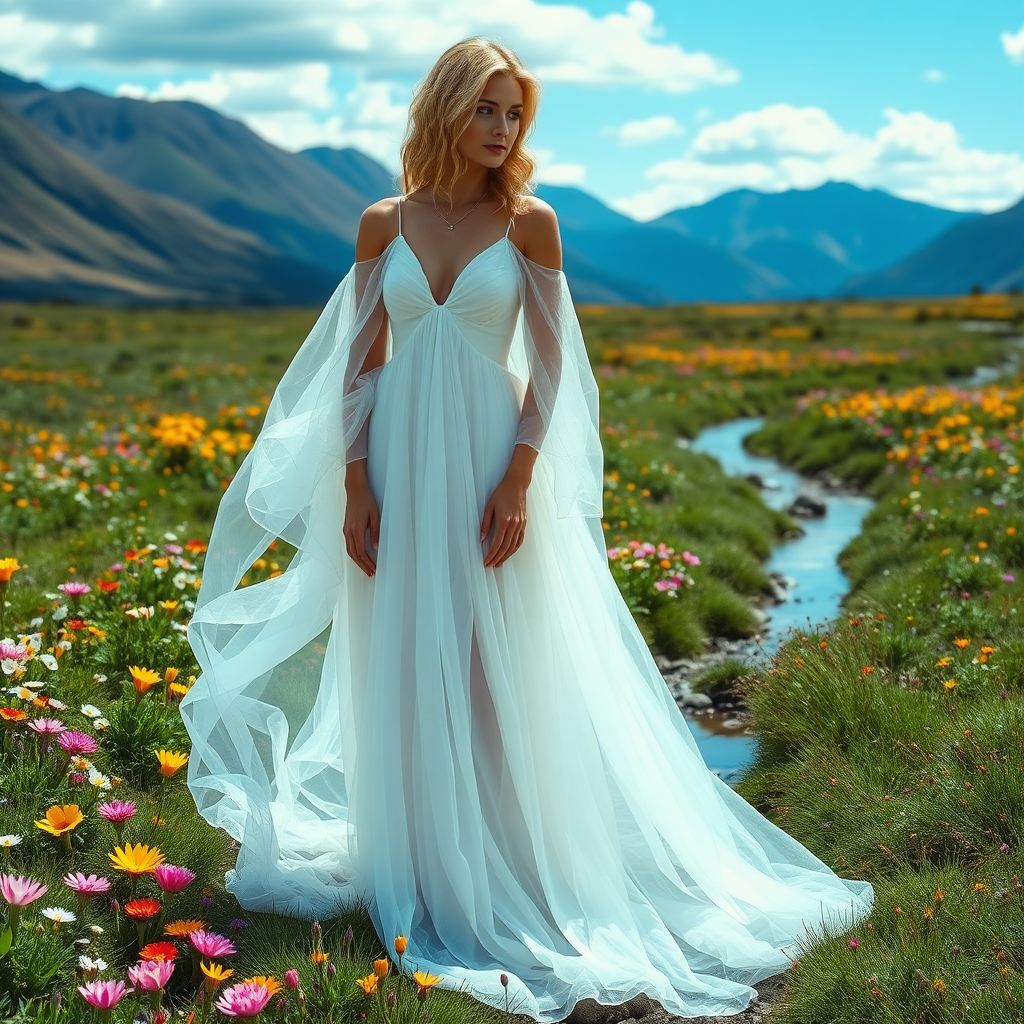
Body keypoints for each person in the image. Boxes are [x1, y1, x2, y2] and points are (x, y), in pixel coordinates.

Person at [181, 36, 874, 1024]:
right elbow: (358, 364)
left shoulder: (530, 224)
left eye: (515, 113)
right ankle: (421, 852)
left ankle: (509, 857)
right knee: (404, 649)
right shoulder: (384, 222)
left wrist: (517, 476)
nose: (503, 129)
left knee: (491, 656)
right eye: (487, 110)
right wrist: (352, 485)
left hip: (487, 464)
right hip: (395, 465)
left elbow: (554, 369)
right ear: (447, 110)